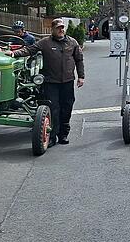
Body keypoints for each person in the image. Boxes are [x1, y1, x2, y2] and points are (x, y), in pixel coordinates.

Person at [6, 18, 84, 147]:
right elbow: (29, 50)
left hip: (67, 81)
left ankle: (63, 135)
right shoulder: (45, 42)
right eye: (58, 28)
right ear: (52, 29)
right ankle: (52, 136)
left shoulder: (72, 42)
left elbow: (79, 60)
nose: (61, 30)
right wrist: (14, 54)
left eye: (62, 28)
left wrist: (81, 76)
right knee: (53, 109)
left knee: (67, 107)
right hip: (51, 82)